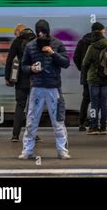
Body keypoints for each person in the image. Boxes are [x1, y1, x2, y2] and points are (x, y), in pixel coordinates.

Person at [19, 20, 71, 159]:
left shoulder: (57, 44)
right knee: (32, 120)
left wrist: (52, 53)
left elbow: (66, 63)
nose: (41, 34)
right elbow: (23, 66)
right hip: (37, 86)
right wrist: (31, 69)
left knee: (58, 120)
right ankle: (28, 150)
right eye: (39, 32)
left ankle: (62, 150)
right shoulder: (30, 46)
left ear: (48, 31)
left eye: (43, 32)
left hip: (53, 87)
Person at [5, 27, 37, 141]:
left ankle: (15, 135)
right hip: (34, 78)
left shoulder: (17, 42)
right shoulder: (35, 41)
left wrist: (7, 77)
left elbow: (9, 60)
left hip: (21, 79)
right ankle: (33, 134)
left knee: (19, 106)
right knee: (33, 107)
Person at [81, 22, 107, 135]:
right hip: (105, 79)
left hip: (93, 79)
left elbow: (85, 62)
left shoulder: (92, 47)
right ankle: (103, 127)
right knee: (103, 103)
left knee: (94, 103)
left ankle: (94, 126)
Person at [74, 24, 100, 131]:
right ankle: (94, 123)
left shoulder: (82, 42)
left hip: (85, 75)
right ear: (98, 31)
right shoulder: (98, 42)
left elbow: (76, 57)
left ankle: (81, 123)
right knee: (95, 100)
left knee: (85, 99)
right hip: (95, 75)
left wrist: (82, 69)